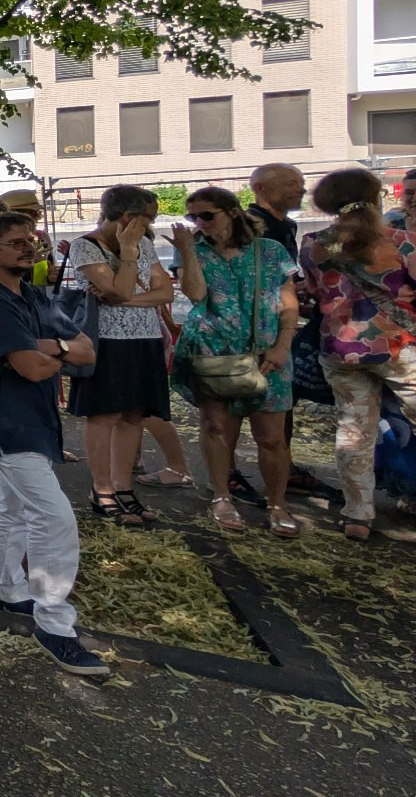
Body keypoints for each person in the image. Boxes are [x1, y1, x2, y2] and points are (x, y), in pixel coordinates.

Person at [0, 212, 108, 675]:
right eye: (16, 242)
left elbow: (86, 349)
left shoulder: (32, 294)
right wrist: (55, 350)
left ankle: (5, 586)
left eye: (32, 240)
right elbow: (32, 367)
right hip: (7, 422)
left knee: (14, 507)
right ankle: (55, 625)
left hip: (34, 419)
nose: (29, 248)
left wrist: (49, 348)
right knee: (53, 517)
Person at [169, 190, 300, 538]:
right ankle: (222, 496)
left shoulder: (270, 250)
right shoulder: (194, 251)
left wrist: (283, 345)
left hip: (267, 352)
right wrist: (186, 252)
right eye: (193, 217)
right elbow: (196, 294)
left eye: (207, 215)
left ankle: (277, 504)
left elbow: (289, 302)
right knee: (216, 427)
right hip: (213, 351)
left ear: (231, 212)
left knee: (271, 437)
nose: (200, 223)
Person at [301, 168, 416, 542]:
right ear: (376, 197)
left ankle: (357, 515)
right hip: (399, 348)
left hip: (341, 349)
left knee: (354, 431)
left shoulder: (313, 246)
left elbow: (316, 292)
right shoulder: (404, 243)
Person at [67, 185, 173, 524]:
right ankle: (101, 488)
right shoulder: (86, 246)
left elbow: (164, 292)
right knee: (104, 414)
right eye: (148, 218)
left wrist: (125, 299)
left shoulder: (145, 244)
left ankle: (123, 486)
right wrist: (127, 253)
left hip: (145, 337)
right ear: (127, 217)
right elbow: (120, 287)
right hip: (106, 340)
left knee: (133, 414)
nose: (151, 225)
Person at [243, 162, 342, 506]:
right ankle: (230, 477)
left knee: (282, 400)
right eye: (290, 183)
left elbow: (287, 276)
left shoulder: (288, 225)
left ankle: (285, 468)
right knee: (236, 405)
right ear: (261, 188)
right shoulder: (249, 225)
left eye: (301, 183)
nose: (300, 189)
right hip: (252, 327)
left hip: (281, 322)